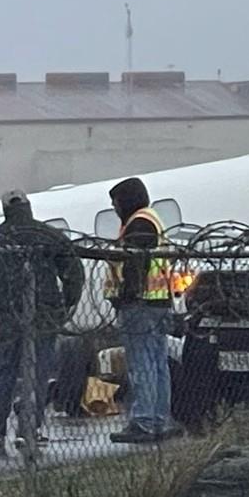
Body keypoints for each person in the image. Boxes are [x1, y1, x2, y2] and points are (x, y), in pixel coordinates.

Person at [0, 190, 84, 454]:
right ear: (28, 206)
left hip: (10, 313)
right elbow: (73, 271)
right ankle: (29, 427)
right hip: (44, 311)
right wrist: (66, 301)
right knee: (39, 370)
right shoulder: (48, 235)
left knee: (5, 370)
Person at [105, 177, 180, 443]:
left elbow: (136, 264)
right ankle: (159, 419)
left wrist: (126, 294)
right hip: (158, 302)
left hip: (141, 304)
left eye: (115, 202)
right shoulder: (152, 219)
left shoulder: (138, 223)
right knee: (158, 363)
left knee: (142, 364)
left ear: (126, 200)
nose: (114, 208)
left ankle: (144, 421)